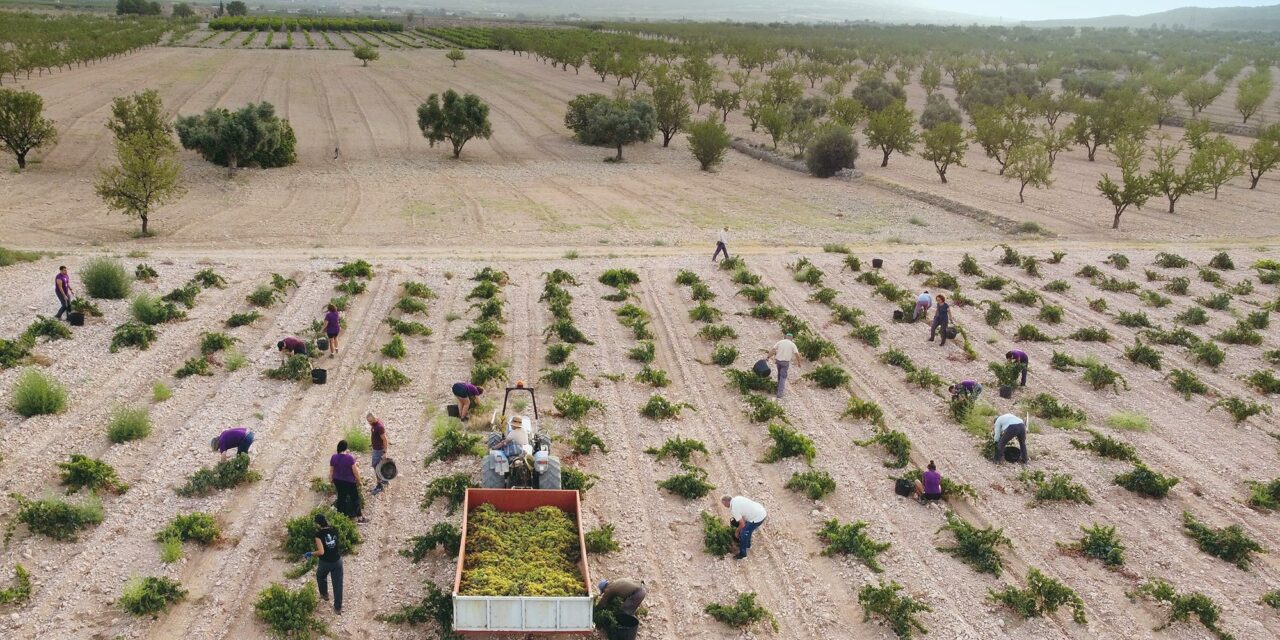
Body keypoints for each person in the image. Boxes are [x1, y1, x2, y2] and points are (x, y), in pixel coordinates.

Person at [306, 513, 344, 614]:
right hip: (337, 561)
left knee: (321, 576)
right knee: (338, 585)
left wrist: (311, 554)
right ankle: (337, 608)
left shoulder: (318, 535)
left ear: (318, 524)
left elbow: (321, 552)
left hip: (325, 562)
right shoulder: (334, 530)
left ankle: (324, 594)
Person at [721, 495, 767, 560]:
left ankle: (743, 554)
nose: (724, 506)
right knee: (746, 528)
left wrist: (737, 531)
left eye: (724, 504)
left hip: (758, 517)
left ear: (726, 502)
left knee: (744, 533)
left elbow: (742, 524)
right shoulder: (737, 498)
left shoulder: (734, 509)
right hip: (760, 510)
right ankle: (747, 545)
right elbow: (743, 515)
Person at [331, 440, 366, 523]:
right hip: (349, 482)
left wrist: (331, 481)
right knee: (355, 499)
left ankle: (340, 519)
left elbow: (331, 471)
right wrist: (359, 481)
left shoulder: (334, 457)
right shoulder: (349, 458)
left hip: (338, 481)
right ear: (346, 448)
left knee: (341, 499)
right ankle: (360, 518)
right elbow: (355, 472)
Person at [367, 413, 390, 495]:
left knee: (376, 466)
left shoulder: (379, 426)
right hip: (375, 448)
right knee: (379, 465)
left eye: (370, 421)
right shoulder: (374, 424)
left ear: (374, 419)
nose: (369, 423)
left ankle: (379, 486)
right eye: (368, 421)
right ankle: (384, 480)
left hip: (378, 450)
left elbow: (385, 440)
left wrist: (384, 452)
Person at [770, 333, 798, 399]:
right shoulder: (792, 344)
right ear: (792, 338)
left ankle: (778, 387)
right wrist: (799, 362)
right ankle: (779, 393)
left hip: (778, 361)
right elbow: (797, 354)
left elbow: (773, 350)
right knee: (783, 377)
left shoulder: (780, 342)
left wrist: (768, 357)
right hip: (785, 362)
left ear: (785, 337)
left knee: (779, 374)